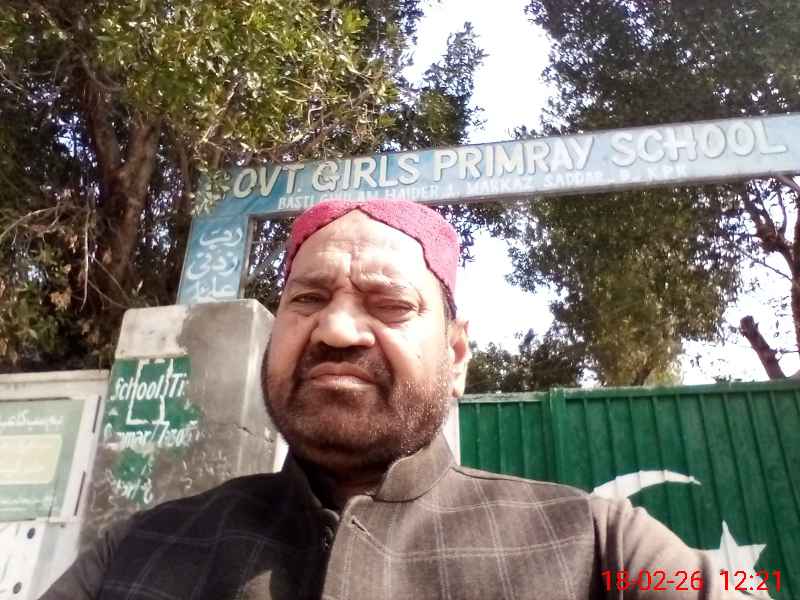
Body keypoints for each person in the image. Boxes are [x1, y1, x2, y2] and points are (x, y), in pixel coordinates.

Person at [42, 198, 743, 599]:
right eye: (308, 299)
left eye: (390, 304)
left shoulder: (600, 542)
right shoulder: (134, 552)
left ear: (457, 357)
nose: (337, 330)